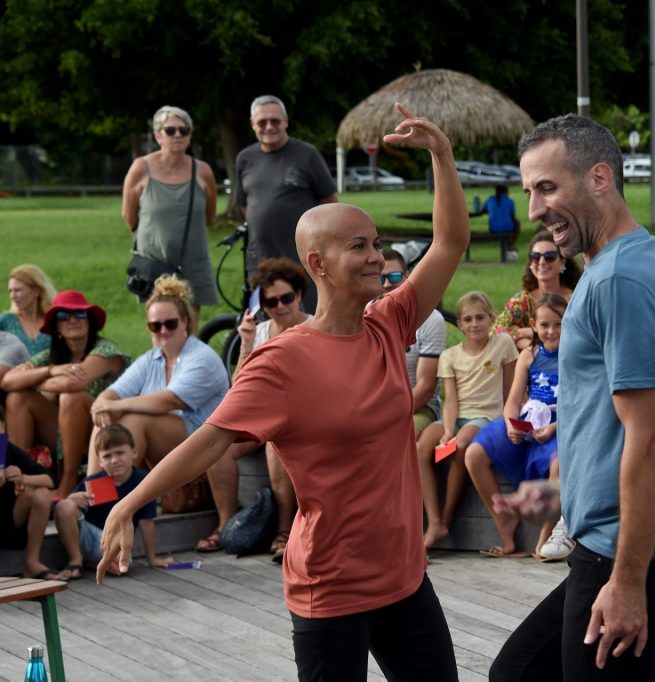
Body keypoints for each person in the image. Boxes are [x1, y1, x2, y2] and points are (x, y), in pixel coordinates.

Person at [98, 104, 467, 682]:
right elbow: (210, 440)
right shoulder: (281, 361)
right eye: (359, 246)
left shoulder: (389, 323)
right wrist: (126, 503)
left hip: (404, 580)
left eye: (376, 244)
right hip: (332, 589)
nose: (376, 257)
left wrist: (441, 156)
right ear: (318, 263)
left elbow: (450, 242)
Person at [490, 114, 655, 681]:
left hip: (644, 554)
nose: (534, 209)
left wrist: (627, 582)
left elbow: (650, 439)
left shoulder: (620, 281)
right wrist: (565, 491)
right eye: (529, 192)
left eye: (547, 188)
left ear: (599, 178)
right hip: (631, 542)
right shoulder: (634, 260)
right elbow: (617, 421)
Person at [200, 257, 311, 559]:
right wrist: (247, 342)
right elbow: (240, 386)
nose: (280, 306)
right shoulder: (260, 333)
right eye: (270, 302)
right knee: (218, 447)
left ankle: (284, 530)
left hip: (302, 418)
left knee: (276, 443)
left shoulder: (314, 327)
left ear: (300, 294)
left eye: (287, 297)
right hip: (263, 417)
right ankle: (225, 526)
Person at [88, 275, 229, 472]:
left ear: (185, 322)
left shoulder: (202, 357)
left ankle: (117, 489)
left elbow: (170, 401)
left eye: (170, 324)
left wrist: (115, 405)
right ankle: (96, 489)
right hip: (169, 436)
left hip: (205, 438)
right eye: (155, 326)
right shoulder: (150, 358)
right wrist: (104, 406)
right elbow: (112, 393)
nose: (163, 331)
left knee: (133, 420)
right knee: (105, 421)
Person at [466, 293, 565, 559]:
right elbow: (512, 402)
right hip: (528, 421)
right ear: (534, 325)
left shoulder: (575, 356)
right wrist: (512, 425)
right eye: (545, 325)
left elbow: (580, 404)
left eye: (559, 324)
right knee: (474, 454)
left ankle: (546, 535)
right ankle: (504, 523)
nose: (552, 331)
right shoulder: (529, 355)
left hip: (561, 423)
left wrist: (555, 427)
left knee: (559, 463)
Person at [2, 291, 128, 498]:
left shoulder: (107, 350)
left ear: (89, 322)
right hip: (63, 434)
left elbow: (71, 383)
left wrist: (36, 380)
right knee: (18, 397)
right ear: (57, 327)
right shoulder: (53, 355)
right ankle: (19, 480)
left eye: (80, 314)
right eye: (63, 316)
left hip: (105, 432)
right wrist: (51, 370)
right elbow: (8, 381)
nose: (72, 320)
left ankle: (67, 482)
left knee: (72, 397)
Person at [418, 291, 518, 549]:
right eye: (468, 319)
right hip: (456, 416)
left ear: (492, 319)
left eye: (480, 318)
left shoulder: (502, 344)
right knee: (421, 448)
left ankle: (447, 518)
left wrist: (511, 419)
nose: (475, 324)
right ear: (460, 324)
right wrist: (447, 429)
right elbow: (450, 399)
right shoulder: (450, 356)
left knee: (460, 445)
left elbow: (511, 388)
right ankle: (434, 520)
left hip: (485, 416)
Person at [235, 95, 338, 313]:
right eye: (262, 122)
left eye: (275, 120)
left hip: (302, 262)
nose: (269, 127)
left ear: (285, 121)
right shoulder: (244, 159)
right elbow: (245, 206)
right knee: (265, 321)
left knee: (305, 319)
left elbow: (330, 203)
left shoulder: (307, 155)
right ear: (253, 124)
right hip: (260, 261)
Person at [121, 105, 219, 310]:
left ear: (189, 136)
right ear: (158, 136)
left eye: (184, 130)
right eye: (170, 130)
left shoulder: (203, 171)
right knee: (161, 320)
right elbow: (129, 216)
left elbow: (209, 217)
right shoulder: (141, 168)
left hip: (192, 260)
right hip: (154, 263)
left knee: (190, 319)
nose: (178, 135)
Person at [53, 425, 171, 580]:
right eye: (107, 456)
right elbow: (64, 512)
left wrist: (152, 559)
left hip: (115, 542)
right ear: (99, 461)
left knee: (122, 565)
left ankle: (95, 563)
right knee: (65, 506)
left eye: (120, 453)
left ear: (134, 452)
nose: (114, 460)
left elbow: (146, 522)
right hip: (89, 537)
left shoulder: (143, 481)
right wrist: (72, 500)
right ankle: (76, 560)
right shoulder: (93, 482)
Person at [379, 248, 446, 437]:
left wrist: (386, 417)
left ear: (407, 276)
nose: (387, 284)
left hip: (419, 408)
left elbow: (425, 388)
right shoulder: (366, 312)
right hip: (376, 408)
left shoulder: (431, 320)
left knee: (395, 437)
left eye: (394, 277)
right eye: (381, 278)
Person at [492, 229, 580, 350]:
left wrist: (532, 333)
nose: (542, 262)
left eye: (550, 256)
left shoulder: (576, 299)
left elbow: (584, 334)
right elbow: (495, 330)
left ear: (562, 261)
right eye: (535, 257)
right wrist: (528, 344)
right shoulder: (523, 300)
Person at [0, 431, 58, 580]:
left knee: (42, 494)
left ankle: (32, 562)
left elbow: (51, 480)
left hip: (8, 520)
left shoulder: (7, 448)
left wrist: (23, 478)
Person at [1, 265, 56, 356]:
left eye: (17, 290)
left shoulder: (53, 320)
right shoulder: (5, 321)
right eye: (10, 291)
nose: (12, 296)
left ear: (36, 291)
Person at [482, 184, 520, 256]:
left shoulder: (490, 200)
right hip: (507, 229)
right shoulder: (509, 201)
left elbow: (482, 211)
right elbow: (513, 216)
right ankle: (512, 244)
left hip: (493, 229)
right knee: (517, 223)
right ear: (505, 192)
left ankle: (509, 247)